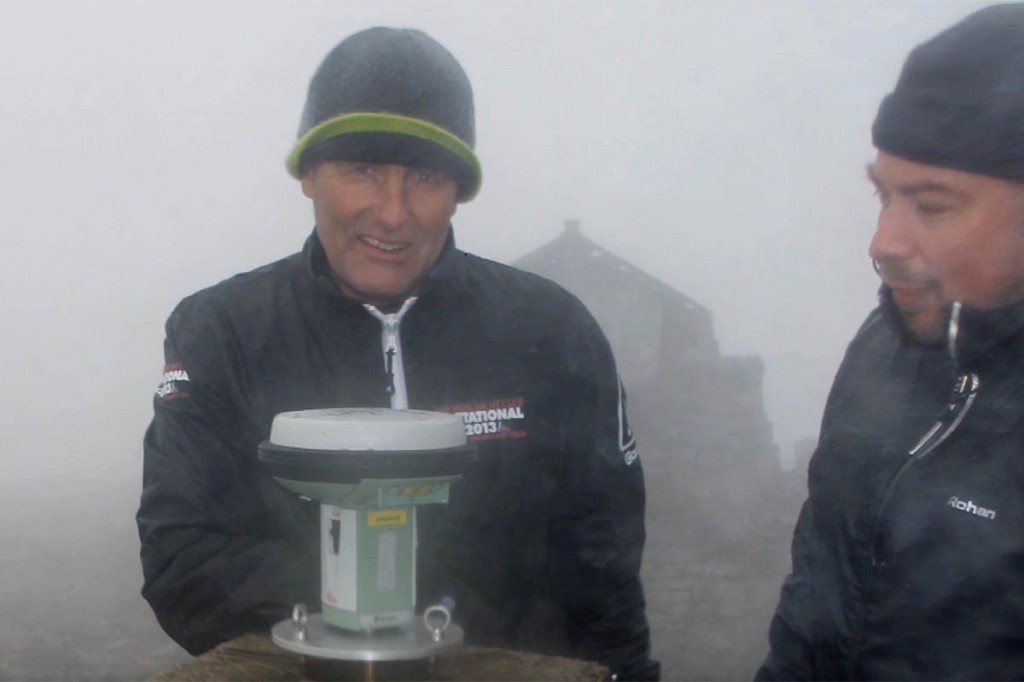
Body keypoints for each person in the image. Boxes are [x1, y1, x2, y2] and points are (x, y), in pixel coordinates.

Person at [136, 27, 658, 680]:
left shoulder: (553, 328)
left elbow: (603, 558)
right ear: (307, 175)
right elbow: (181, 558)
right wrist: (374, 612)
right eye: (362, 169)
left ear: (458, 191)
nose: (392, 212)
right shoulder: (221, 331)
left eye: (425, 177)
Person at [757, 4, 1024, 679]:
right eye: (883, 197)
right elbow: (815, 598)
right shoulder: (887, 345)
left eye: (931, 206)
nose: (882, 244)